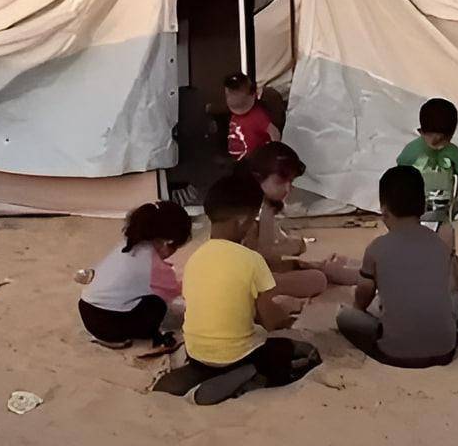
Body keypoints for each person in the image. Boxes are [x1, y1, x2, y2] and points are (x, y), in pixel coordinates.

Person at [152, 171, 318, 405]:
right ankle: (244, 374)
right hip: (236, 354)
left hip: (196, 351)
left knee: (219, 350)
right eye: (252, 221)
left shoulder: (194, 259)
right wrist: (286, 316)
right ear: (242, 221)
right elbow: (269, 321)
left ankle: (203, 374)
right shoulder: (252, 260)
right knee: (285, 350)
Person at [338, 166, 458, 368]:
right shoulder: (440, 245)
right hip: (445, 351)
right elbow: (447, 289)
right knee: (452, 302)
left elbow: (363, 296)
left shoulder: (377, 248)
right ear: (423, 206)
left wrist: (359, 310)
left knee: (345, 316)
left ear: (384, 210)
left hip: (395, 354)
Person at [236, 142, 356, 298]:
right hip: (249, 280)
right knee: (317, 278)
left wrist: (296, 250)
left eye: (291, 182)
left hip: (265, 271)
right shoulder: (246, 216)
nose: (287, 189)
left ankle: (358, 274)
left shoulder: (267, 206)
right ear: (258, 178)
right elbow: (262, 257)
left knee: (317, 269)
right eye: (280, 182)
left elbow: (276, 248)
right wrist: (293, 247)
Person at [76, 201, 191, 350]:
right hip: (107, 323)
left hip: (86, 308)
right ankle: (121, 336)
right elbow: (177, 291)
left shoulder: (127, 244)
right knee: (157, 305)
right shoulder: (154, 267)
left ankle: (109, 333)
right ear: (167, 242)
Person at [396, 97, 458, 244]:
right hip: (414, 213)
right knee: (414, 244)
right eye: (433, 139)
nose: (438, 144)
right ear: (421, 132)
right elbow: (398, 176)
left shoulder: (452, 152)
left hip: (443, 212)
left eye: (444, 139)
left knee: (445, 242)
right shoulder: (412, 150)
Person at [221, 73, 275, 160]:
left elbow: (274, 133)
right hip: (236, 161)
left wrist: (272, 156)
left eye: (235, 92)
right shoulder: (233, 114)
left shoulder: (258, 116)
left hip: (253, 162)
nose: (232, 96)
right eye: (230, 93)